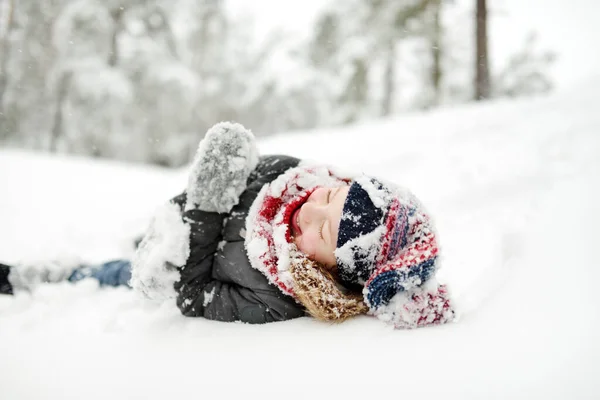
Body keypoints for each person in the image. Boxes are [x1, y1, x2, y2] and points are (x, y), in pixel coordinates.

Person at [1, 122, 454, 329]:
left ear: (331, 272)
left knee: (113, 274)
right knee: (144, 243)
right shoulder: (285, 172)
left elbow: (197, 299)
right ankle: (145, 241)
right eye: (332, 197)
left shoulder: (278, 298)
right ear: (340, 182)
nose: (311, 213)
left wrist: (201, 219)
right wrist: (185, 209)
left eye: (328, 234)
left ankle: (40, 275)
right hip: (181, 232)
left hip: (190, 265)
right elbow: (203, 192)